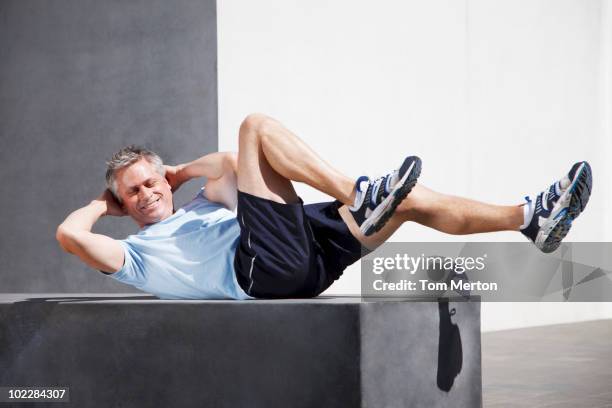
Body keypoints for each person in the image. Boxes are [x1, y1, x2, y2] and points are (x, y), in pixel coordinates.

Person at [56, 113, 593, 300]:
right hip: (259, 272)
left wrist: (182, 171)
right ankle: (357, 192)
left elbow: (230, 165)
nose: (147, 192)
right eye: (134, 192)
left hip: (302, 259)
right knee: (256, 125)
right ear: (123, 205)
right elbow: (70, 237)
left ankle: (529, 218)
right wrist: (101, 205)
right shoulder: (140, 253)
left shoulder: (199, 201)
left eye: (152, 181)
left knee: (408, 201)